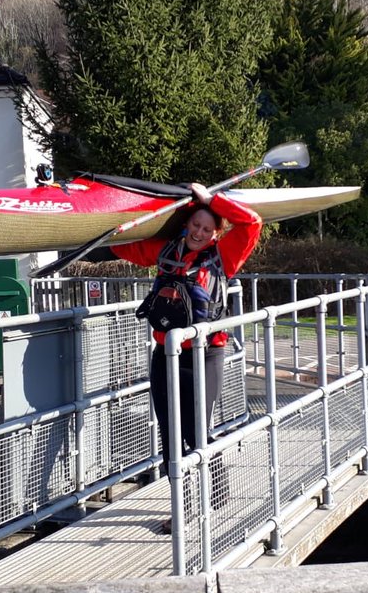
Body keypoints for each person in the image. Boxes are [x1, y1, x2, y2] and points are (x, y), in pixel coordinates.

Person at [112, 182, 262, 529]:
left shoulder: (225, 255)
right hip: (166, 353)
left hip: (205, 355)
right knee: (169, 433)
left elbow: (251, 223)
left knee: (195, 431)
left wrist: (211, 200)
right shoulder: (167, 250)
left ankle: (214, 489)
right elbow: (124, 247)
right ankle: (181, 507)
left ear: (216, 232)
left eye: (207, 228)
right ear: (186, 224)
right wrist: (90, 239)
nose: (199, 233)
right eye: (196, 224)